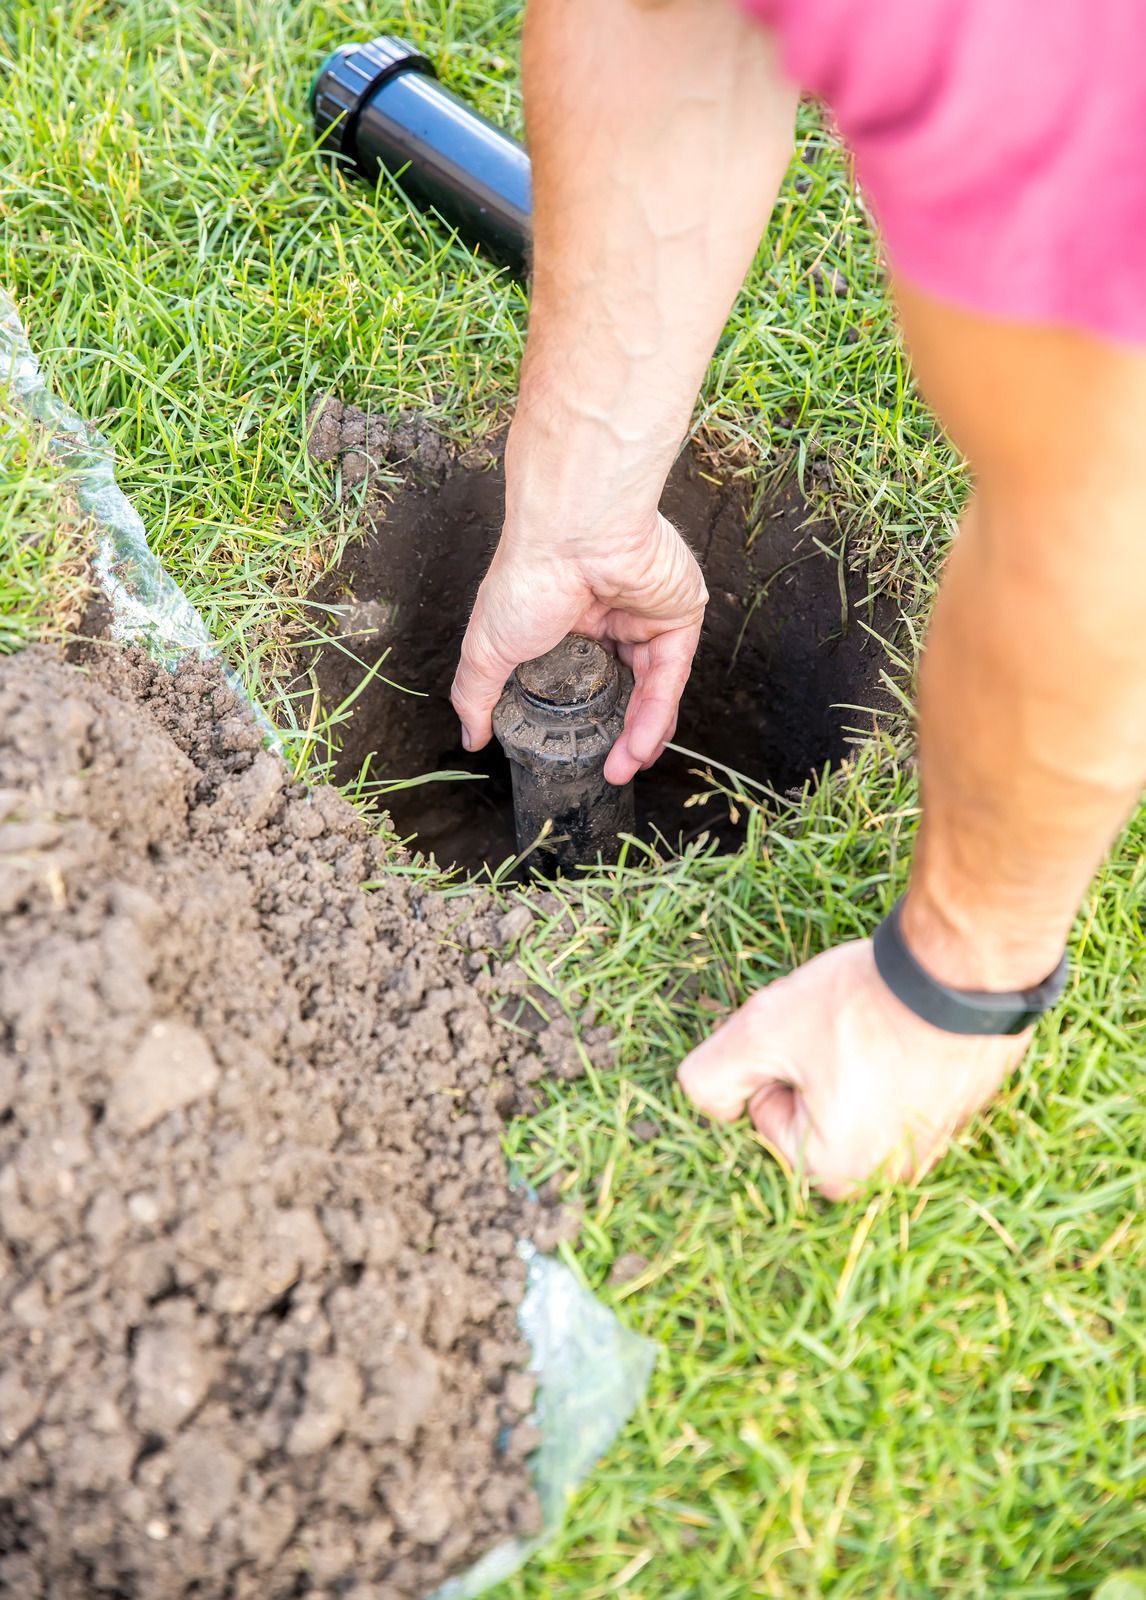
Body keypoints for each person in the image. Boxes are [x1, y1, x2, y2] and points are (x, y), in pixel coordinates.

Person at [450, 0, 1146, 1198]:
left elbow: (1104, 509)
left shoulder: (1044, 74)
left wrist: (953, 987)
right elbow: (658, 19)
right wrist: (585, 503)